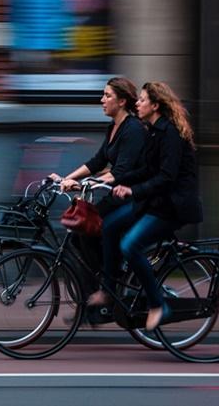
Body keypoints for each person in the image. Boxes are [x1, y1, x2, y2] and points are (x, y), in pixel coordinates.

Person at [88, 81, 203, 331]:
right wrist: (117, 180)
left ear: (155, 105)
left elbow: (166, 177)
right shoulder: (153, 130)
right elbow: (146, 169)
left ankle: (158, 304)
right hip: (156, 201)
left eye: (141, 100)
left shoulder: (170, 133)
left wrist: (132, 190)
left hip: (173, 206)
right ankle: (108, 290)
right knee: (108, 226)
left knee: (130, 245)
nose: (136, 103)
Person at [48, 77, 146, 297]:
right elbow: (98, 161)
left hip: (132, 197)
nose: (102, 100)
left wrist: (84, 184)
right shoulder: (114, 127)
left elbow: (121, 172)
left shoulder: (133, 129)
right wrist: (66, 178)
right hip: (115, 195)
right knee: (79, 235)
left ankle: (110, 284)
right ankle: (98, 291)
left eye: (107, 96)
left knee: (89, 229)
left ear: (121, 101)